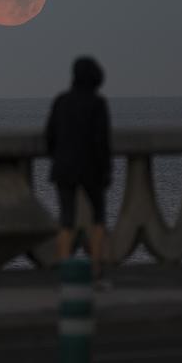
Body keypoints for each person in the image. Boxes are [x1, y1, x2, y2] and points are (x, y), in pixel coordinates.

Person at [45, 56, 111, 287]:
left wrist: (58, 157)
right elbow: (102, 142)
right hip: (91, 168)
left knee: (66, 220)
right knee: (99, 217)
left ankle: (64, 269)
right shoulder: (97, 103)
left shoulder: (61, 101)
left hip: (63, 168)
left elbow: (49, 137)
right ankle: (96, 269)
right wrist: (106, 171)